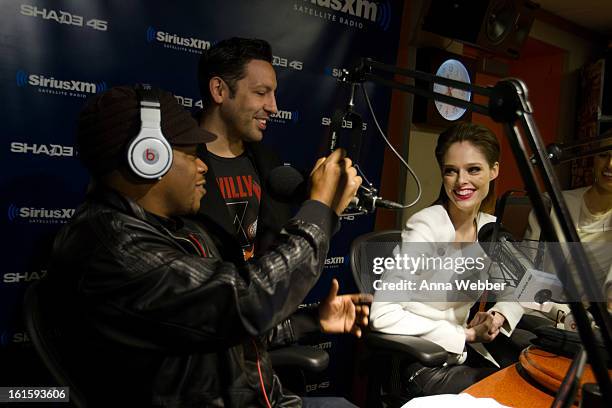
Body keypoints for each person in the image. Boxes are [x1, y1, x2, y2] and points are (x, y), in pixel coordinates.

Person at [40, 85, 367, 407]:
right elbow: (249, 300)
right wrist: (319, 209)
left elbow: (217, 321)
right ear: (147, 157)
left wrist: (310, 322)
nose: (203, 167)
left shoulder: (174, 231)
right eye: (192, 154)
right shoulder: (114, 248)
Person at [370, 122, 524, 396]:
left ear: (494, 170)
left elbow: (524, 284)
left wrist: (498, 315)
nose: (461, 181)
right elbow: (382, 314)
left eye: (473, 169)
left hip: (459, 356)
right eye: (451, 171)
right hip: (419, 362)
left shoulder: (489, 228)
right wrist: (464, 335)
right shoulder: (426, 227)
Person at [194, 37, 289, 260]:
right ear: (219, 90)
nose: (273, 107)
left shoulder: (269, 162)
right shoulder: (175, 161)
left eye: (273, 93)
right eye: (260, 92)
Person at [524, 141, 612, 315]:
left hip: (594, 326)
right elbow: (526, 275)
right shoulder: (551, 205)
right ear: (593, 158)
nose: (610, 164)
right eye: (604, 155)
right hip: (538, 314)